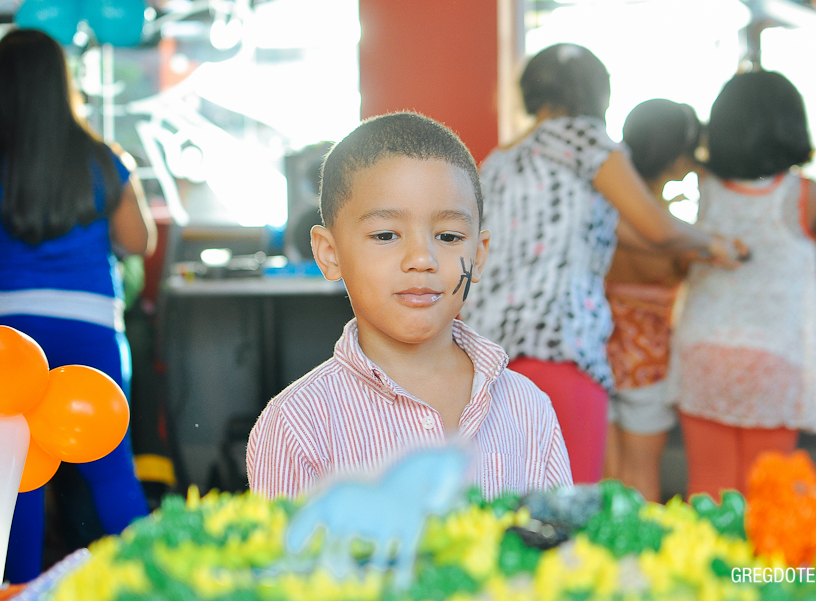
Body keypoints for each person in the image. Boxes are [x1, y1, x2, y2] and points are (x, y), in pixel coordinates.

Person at [246, 112, 573, 498]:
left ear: (479, 255)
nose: (422, 257)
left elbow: (560, 551)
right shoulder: (297, 425)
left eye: (449, 236)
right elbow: (281, 556)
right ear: (330, 254)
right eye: (386, 235)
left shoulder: (527, 408)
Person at [463, 44, 743, 483]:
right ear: (600, 95)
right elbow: (657, 228)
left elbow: (618, 228)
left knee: (506, 512)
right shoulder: (583, 138)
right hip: (558, 350)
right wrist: (715, 244)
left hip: (484, 363)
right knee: (571, 515)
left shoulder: (498, 161)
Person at [0, 29, 156, 582]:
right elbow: (137, 241)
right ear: (61, 83)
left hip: (7, 339)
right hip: (91, 327)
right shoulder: (105, 162)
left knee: (16, 475)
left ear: (3, 91)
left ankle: (16, 591)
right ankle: (157, 581)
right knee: (111, 470)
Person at [665, 70, 816, 499]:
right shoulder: (806, 195)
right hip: (773, 359)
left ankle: (703, 565)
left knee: (709, 486)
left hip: (704, 352)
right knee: (768, 491)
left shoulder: (706, 187)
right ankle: (763, 568)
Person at [603, 99, 700, 501]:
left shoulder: (604, 213)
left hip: (597, 349)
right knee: (643, 475)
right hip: (649, 359)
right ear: (679, 161)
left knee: (603, 477)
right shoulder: (673, 231)